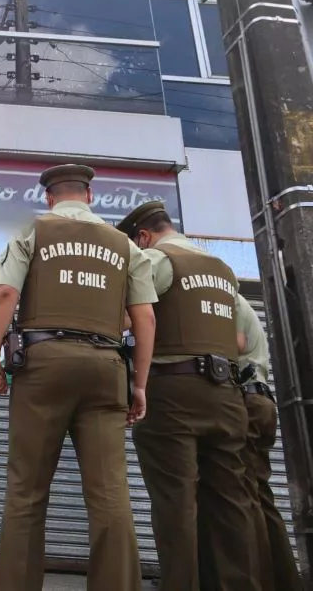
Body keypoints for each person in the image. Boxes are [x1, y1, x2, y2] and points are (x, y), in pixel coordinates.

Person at [0, 164, 157, 591]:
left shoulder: (34, 231)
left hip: (43, 365)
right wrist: (139, 385)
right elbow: (145, 318)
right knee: (110, 495)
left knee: (26, 491)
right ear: (90, 196)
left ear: (49, 197)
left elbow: (6, 293)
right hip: (106, 367)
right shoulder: (125, 245)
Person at [118, 200, 259, 591]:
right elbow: (241, 340)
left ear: (143, 237)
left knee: (175, 503)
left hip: (174, 393)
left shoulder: (155, 260)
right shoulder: (222, 270)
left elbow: (128, 316)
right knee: (231, 503)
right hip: (227, 395)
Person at [198, 296, 302, 591]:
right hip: (260, 400)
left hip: (245, 401)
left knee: (242, 499)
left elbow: (237, 342)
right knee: (259, 496)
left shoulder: (224, 296)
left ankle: (257, 582)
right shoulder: (239, 303)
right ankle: (286, 581)